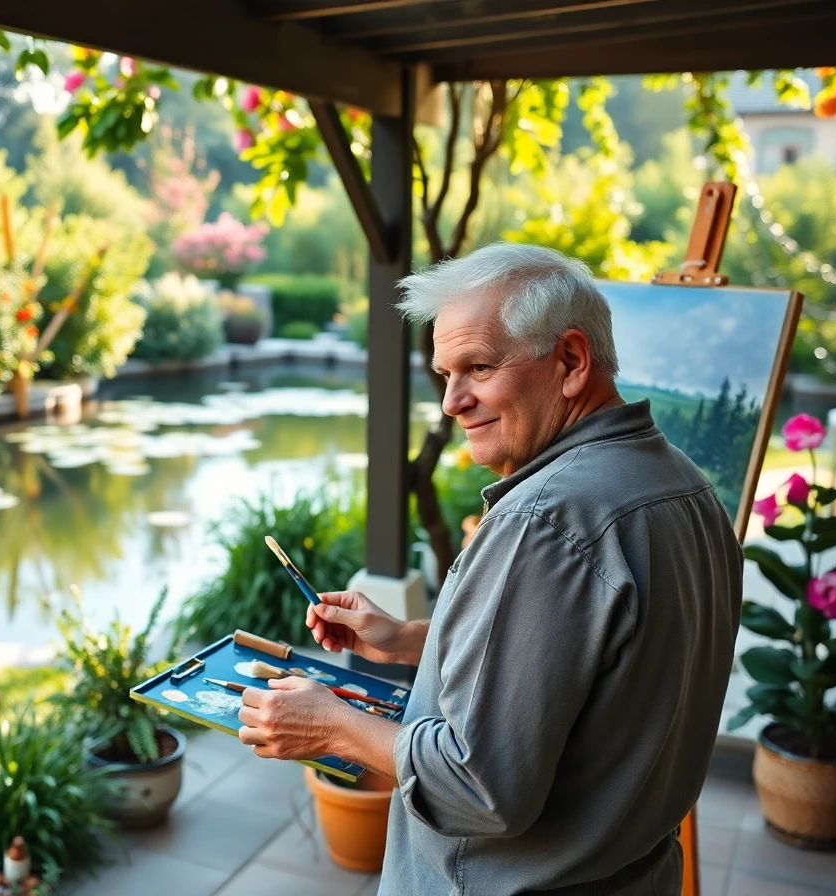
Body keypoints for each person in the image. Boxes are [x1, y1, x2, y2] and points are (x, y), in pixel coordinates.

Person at [236, 243, 743, 895]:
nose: (452, 402)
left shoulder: (544, 522)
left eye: (477, 367)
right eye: (446, 374)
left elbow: (481, 788)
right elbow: (595, 660)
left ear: (571, 361)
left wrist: (334, 723)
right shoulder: (688, 487)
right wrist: (415, 639)